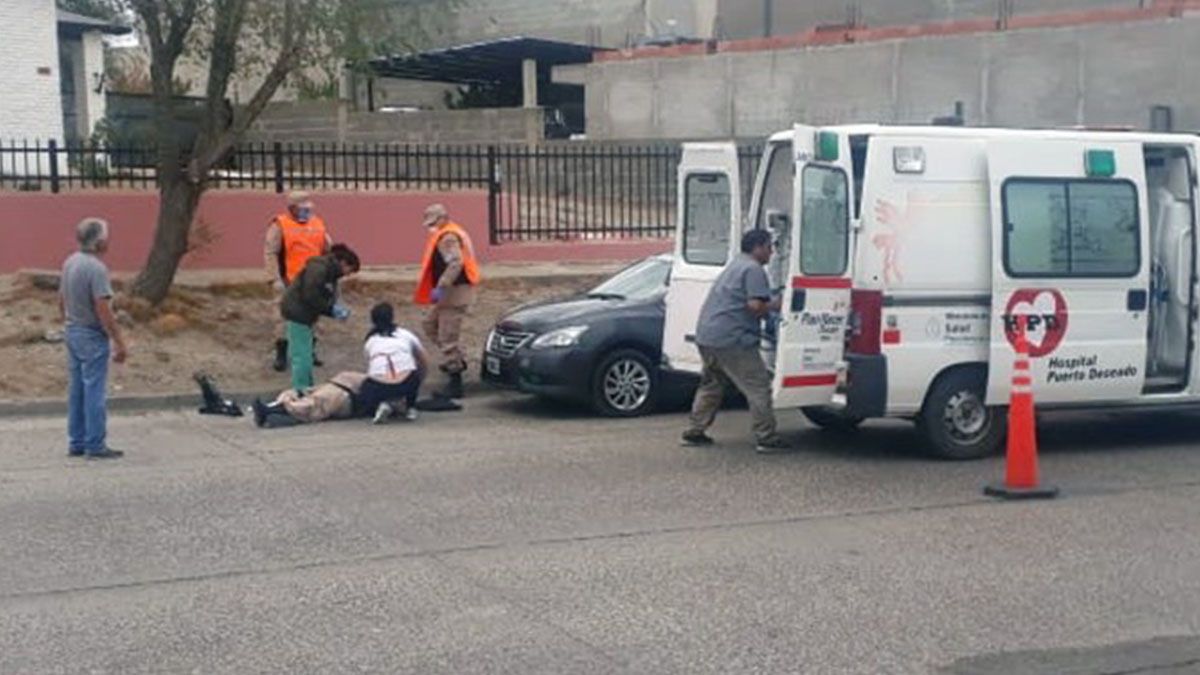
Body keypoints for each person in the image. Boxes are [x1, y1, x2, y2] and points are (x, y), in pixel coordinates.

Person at [681, 229, 790, 454]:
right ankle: (766, 437)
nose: (771, 252)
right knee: (758, 386)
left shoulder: (735, 265)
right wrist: (776, 305)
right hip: (733, 340)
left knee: (711, 383)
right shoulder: (753, 269)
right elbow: (755, 306)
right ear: (758, 247)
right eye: (769, 247)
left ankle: (695, 429)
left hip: (708, 336)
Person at [59, 218, 127, 460]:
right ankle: (95, 443)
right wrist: (118, 340)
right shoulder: (96, 269)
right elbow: (103, 308)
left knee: (77, 389)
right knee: (95, 390)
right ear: (99, 241)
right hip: (91, 334)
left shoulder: (70, 262)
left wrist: (66, 322)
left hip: (73, 330)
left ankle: (76, 441)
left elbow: (62, 299)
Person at [414, 203, 480, 400]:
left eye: (432, 223)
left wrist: (441, 285)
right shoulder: (453, 232)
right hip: (451, 292)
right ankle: (456, 360)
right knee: (429, 325)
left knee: (447, 336)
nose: (430, 228)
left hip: (454, 292)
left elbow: (455, 263)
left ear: (442, 219)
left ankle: (455, 379)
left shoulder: (448, 237)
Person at [265, 191, 332, 372]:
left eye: (308, 206)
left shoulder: (317, 224)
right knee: (282, 318)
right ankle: (281, 354)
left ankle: (310, 351)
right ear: (292, 208)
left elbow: (327, 250)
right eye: (303, 207)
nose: (307, 210)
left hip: (313, 279)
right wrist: (274, 278)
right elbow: (271, 252)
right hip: (288, 279)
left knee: (313, 317)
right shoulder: (280, 225)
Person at [281, 243, 360, 393]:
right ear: (343, 263)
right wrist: (331, 310)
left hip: (304, 314)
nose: (348, 275)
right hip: (298, 313)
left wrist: (332, 309)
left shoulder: (327, 271)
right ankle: (301, 390)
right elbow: (311, 294)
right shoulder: (319, 269)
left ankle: (306, 387)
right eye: (349, 270)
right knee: (301, 355)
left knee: (305, 353)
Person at [361, 302, 429, 424]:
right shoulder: (405, 334)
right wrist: (420, 379)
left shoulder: (370, 341)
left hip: (379, 386)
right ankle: (410, 407)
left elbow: (370, 366)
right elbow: (423, 360)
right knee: (412, 371)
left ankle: (382, 405)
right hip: (406, 382)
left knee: (366, 385)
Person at [251, 371, 369, 429]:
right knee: (300, 393)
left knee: (316, 403)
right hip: (342, 384)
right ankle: (274, 407)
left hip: (347, 393)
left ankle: (272, 410)